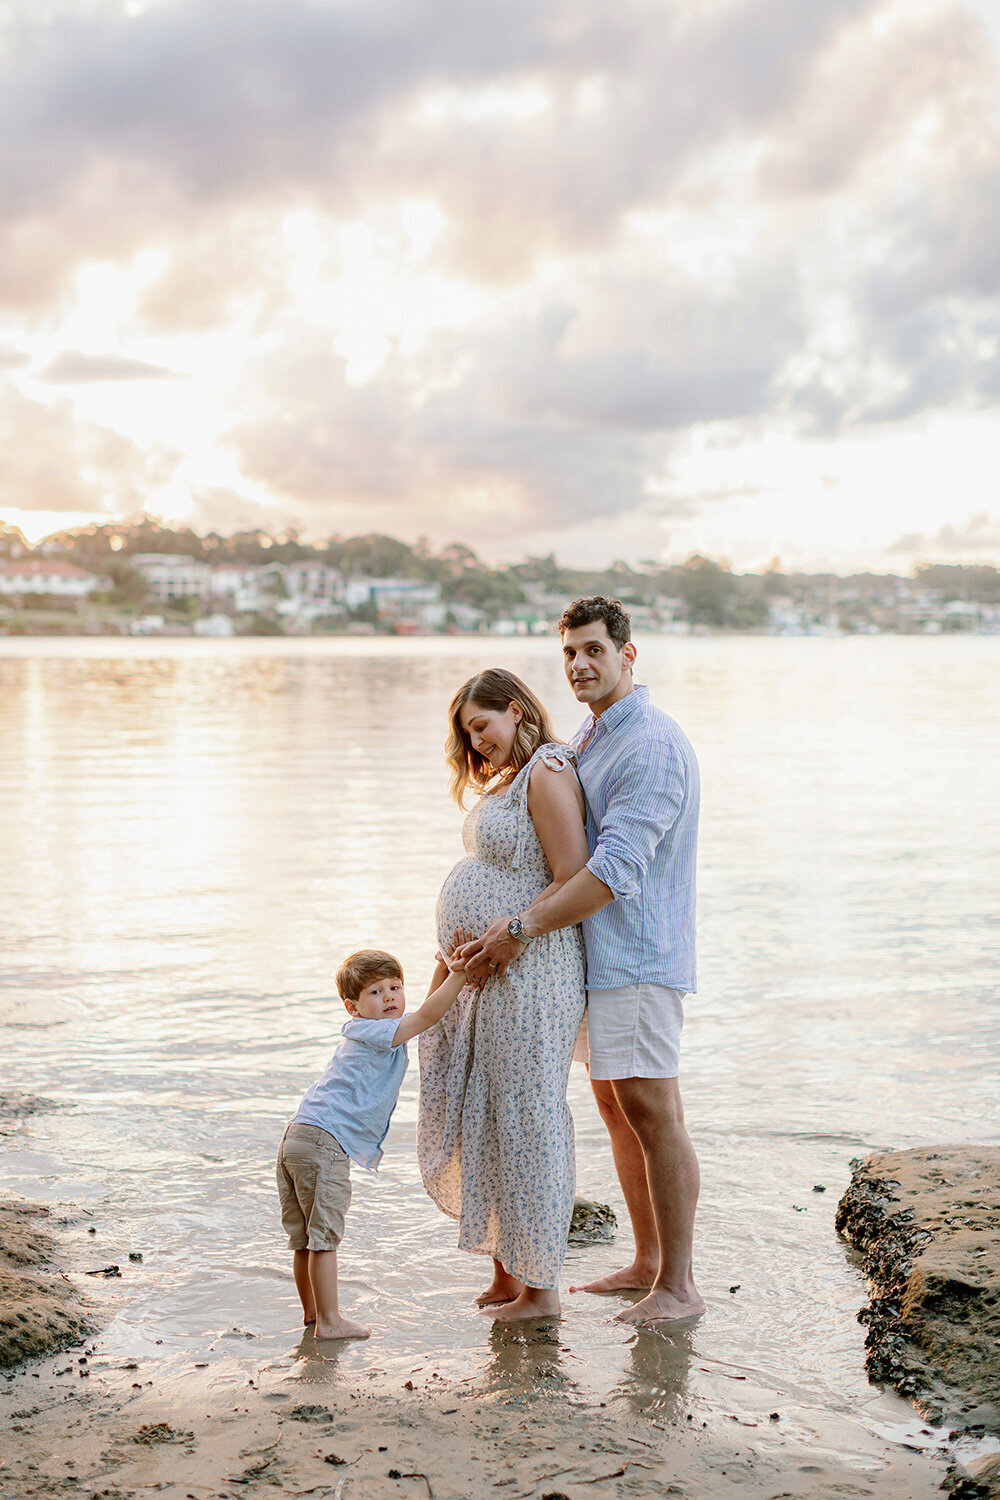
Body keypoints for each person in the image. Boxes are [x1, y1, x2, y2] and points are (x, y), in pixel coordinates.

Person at [457, 597, 705, 1327]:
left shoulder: (651, 744)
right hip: (597, 957)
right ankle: (647, 1262)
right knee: (617, 1106)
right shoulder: (595, 736)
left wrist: (519, 930)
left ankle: (679, 1287)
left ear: (629, 654)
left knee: (654, 1110)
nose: (579, 665)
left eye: (594, 650)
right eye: (569, 654)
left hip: (638, 954)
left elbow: (613, 868)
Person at [418, 668, 589, 1322]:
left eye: (482, 725)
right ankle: (507, 1270)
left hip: (533, 967)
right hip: (492, 968)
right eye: (467, 733)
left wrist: (509, 931)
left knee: (529, 1116)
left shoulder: (547, 768)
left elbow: (572, 877)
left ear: (515, 710)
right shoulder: (508, 781)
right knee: (492, 1110)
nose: (476, 743)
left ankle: (541, 1290)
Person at [277, 944, 468, 1341]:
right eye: (376, 993)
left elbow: (423, 1014)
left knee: (306, 1239)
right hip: (324, 1142)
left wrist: (441, 966)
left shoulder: (371, 1031)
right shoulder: (378, 1032)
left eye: (395, 987)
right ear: (353, 1007)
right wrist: (462, 974)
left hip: (299, 1136)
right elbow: (431, 1015)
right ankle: (330, 1323)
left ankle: (313, 1316)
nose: (389, 998)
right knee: (324, 1239)